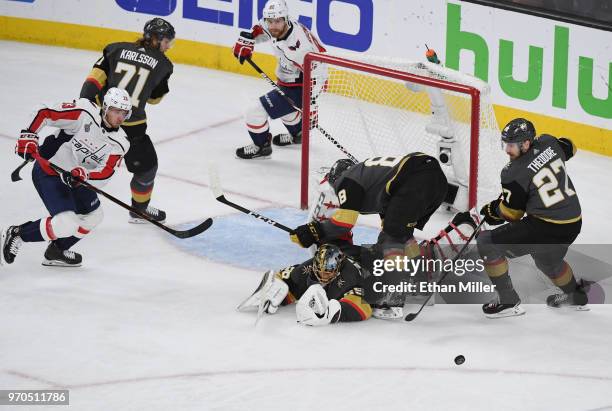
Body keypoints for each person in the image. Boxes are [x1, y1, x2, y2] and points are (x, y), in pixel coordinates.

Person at [290, 153, 448, 317]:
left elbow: (345, 223)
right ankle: (421, 285)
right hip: (436, 181)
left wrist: (314, 231)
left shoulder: (346, 179)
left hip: (416, 177)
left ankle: (392, 301)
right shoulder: (373, 180)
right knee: (402, 235)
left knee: (391, 238)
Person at [0, 88, 132, 267]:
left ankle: (56, 251)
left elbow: (106, 173)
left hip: (76, 181)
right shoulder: (84, 113)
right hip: (50, 171)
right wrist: (28, 135)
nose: (120, 117)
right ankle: (17, 233)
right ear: (106, 108)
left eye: (124, 113)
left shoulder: (120, 142)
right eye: (116, 111)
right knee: (66, 223)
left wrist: (85, 175)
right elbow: (44, 111)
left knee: (94, 216)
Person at [477, 118, 586, 318]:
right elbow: (571, 146)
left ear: (526, 143)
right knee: (548, 260)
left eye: (511, 145)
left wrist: (494, 211)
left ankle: (508, 302)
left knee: (486, 242)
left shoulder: (512, 173)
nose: (507, 150)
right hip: (573, 222)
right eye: (506, 144)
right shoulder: (549, 142)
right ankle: (575, 296)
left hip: (546, 227)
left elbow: (513, 214)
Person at [80, 18, 175, 223]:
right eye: (167, 41)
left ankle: (72, 202)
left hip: (99, 119)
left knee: (81, 161)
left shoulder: (115, 49)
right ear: (155, 39)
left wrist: (84, 110)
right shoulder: (164, 65)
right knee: (147, 168)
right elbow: (154, 99)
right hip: (132, 128)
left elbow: (92, 81)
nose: (168, 46)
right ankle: (139, 210)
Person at [232, 0, 326, 159]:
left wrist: (312, 104)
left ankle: (261, 147)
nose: (273, 25)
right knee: (286, 112)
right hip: (288, 81)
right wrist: (248, 39)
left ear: (286, 19)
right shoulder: (280, 25)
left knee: (254, 112)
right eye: (270, 21)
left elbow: (319, 71)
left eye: (277, 21)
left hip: (301, 87)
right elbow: (261, 28)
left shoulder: (297, 47)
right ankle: (298, 134)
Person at [238, 244, 372, 326]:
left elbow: (365, 308)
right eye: (320, 271)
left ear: (338, 269)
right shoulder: (308, 267)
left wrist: (332, 313)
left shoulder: (351, 276)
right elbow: (284, 277)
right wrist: (279, 293)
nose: (323, 276)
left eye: (328, 272)